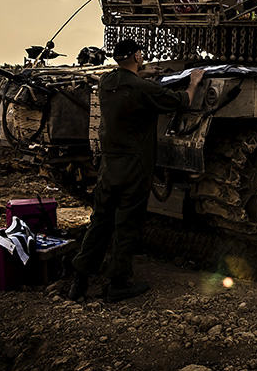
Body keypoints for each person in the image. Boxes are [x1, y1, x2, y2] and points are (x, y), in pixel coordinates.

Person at [69, 40, 204, 302]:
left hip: (109, 166)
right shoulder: (143, 89)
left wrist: (142, 74)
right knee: (126, 225)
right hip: (134, 167)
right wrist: (194, 82)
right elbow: (182, 100)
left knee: (100, 221)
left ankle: (80, 280)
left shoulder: (107, 82)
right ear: (137, 56)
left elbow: (128, 83)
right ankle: (118, 283)